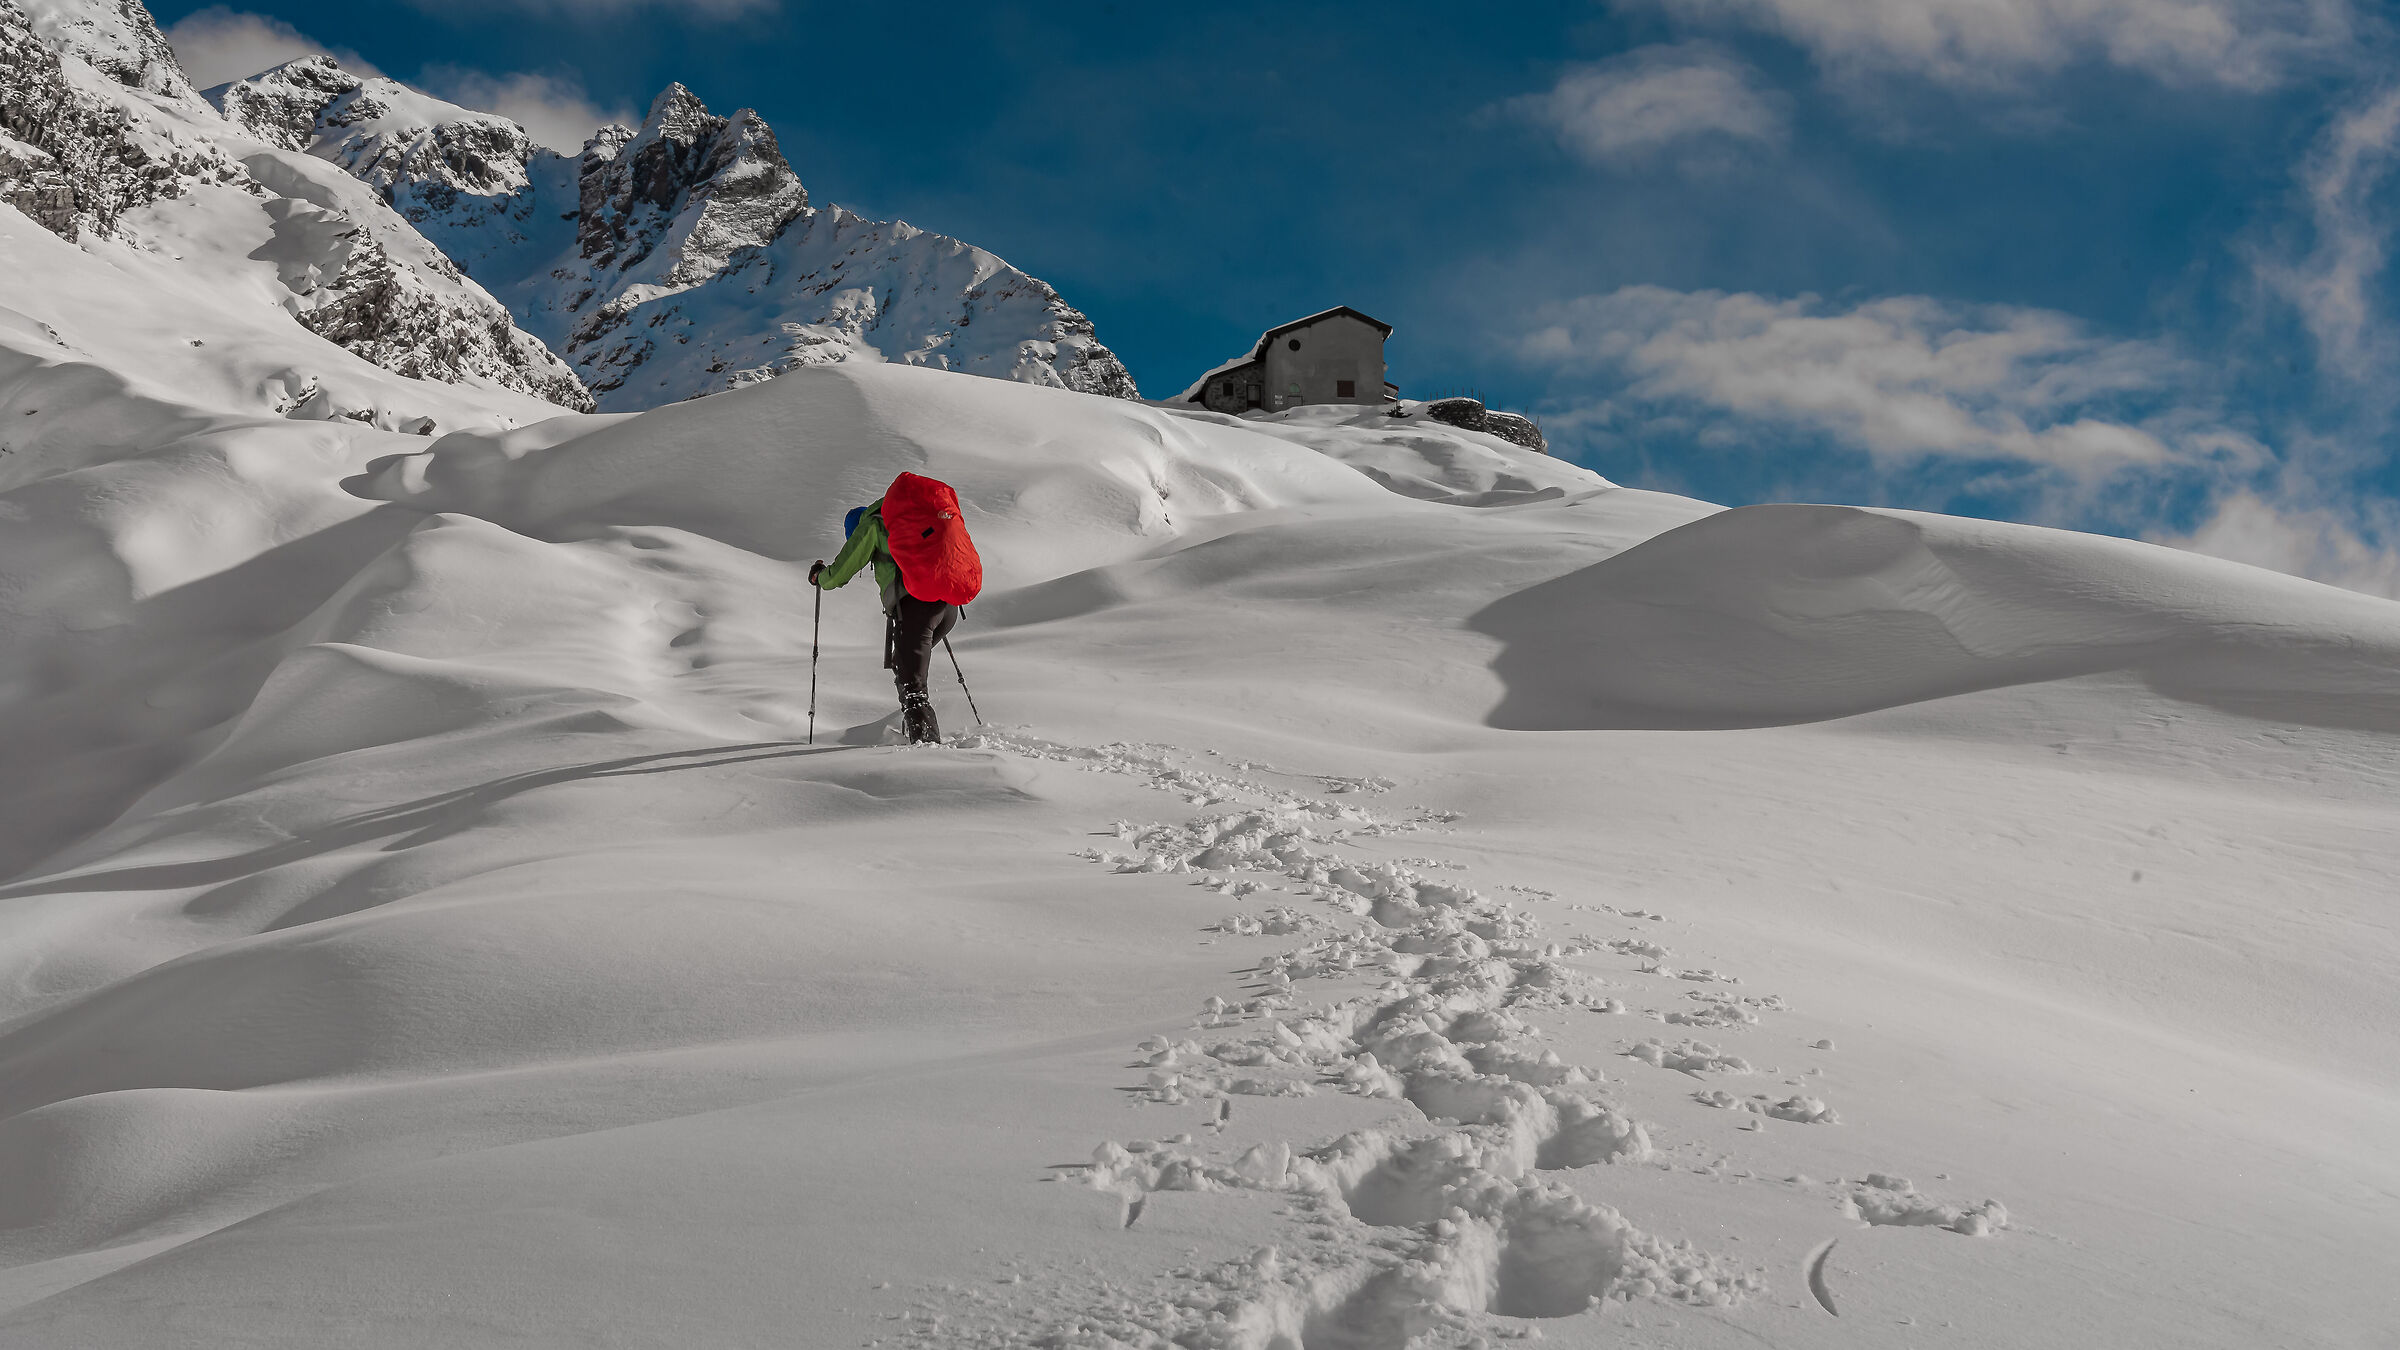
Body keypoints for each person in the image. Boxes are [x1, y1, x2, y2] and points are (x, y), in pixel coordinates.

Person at [810, 472, 983, 744]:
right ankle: (918, 739)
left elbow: (841, 571)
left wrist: (820, 577)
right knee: (904, 668)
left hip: (917, 610)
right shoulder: (906, 520)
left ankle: (926, 753)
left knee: (913, 688)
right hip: (947, 607)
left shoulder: (872, 525)